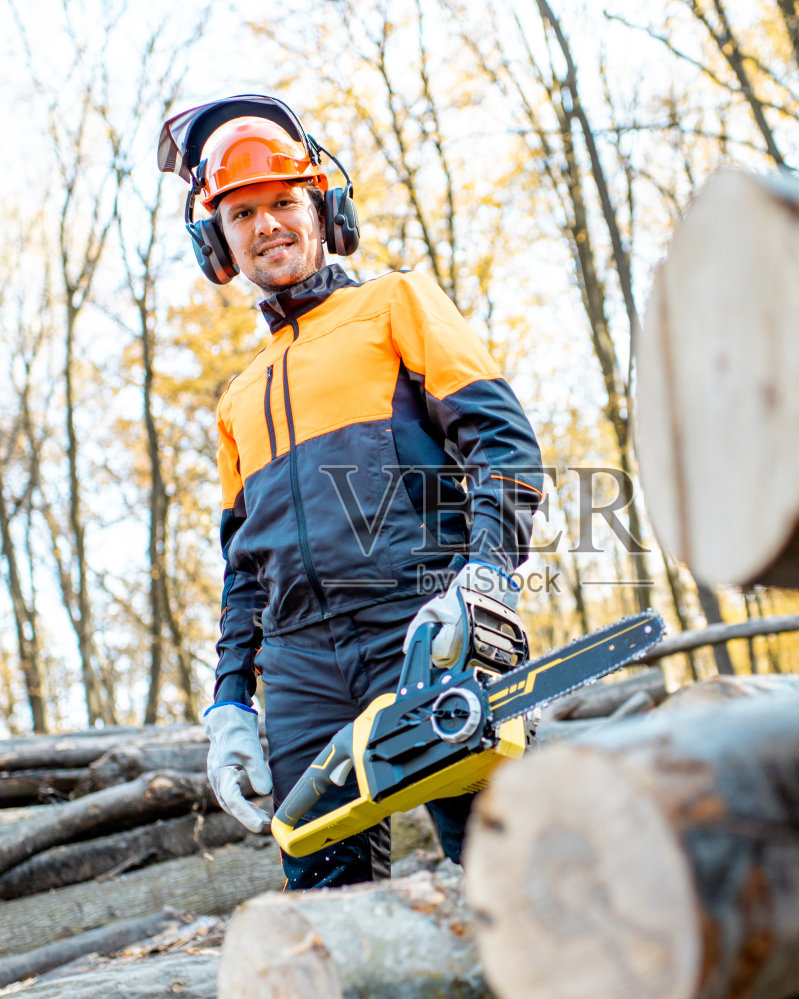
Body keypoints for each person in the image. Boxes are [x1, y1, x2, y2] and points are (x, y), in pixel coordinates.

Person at [158, 95, 544, 889]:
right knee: (326, 907)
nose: (267, 226)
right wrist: (231, 704)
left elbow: (502, 442)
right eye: (243, 214)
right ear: (217, 244)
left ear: (323, 210)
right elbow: (243, 570)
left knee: (509, 865)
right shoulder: (237, 399)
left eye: (283, 203)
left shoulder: (394, 304)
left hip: (421, 619)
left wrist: (486, 577)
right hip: (300, 668)